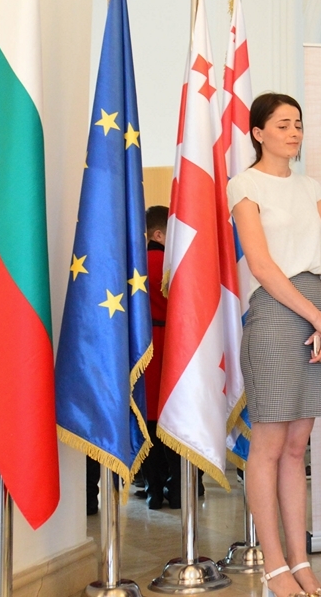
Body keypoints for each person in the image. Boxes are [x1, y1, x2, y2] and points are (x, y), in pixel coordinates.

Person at [228, 93, 321, 597]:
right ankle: (274, 566)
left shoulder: (310, 186)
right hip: (277, 312)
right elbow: (261, 265)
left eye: (298, 123)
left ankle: (301, 562)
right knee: (271, 444)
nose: (294, 132)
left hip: (318, 308)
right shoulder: (245, 185)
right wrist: (318, 317)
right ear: (258, 133)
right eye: (282, 124)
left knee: (298, 446)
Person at [142, 205, 183, 510]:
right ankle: (180, 490)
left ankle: (153, 491)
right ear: (158, 234)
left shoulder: (135, 265)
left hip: (145, 349)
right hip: (172, 345)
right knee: (174, 421)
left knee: (149, 424)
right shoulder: (172, 266)